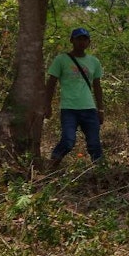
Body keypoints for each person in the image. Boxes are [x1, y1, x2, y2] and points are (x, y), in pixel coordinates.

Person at [44, 27, 104, 168]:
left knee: (94, 143)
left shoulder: (94, 61)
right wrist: (47, 105)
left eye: (85, 39)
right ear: (72, 40)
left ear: (89, 42)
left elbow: (97, 87)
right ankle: (50, 166)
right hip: (69, 108)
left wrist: (100, 110)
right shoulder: (61, 60)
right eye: (78, 39)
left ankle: (101, 170)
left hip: (89, 108)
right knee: (68, 141)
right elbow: (51, 83)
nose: (82, 42)